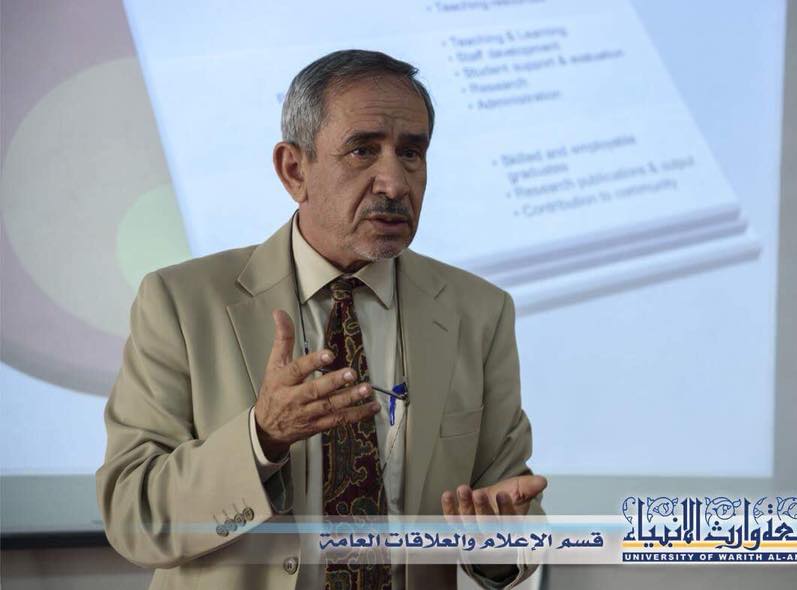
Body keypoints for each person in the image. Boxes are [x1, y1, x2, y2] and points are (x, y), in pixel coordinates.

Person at [96, 49, 547, 590]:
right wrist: (261, 437)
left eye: (411, 153)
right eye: (363, 150)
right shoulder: (181, 302)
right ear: (294, 169)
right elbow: (133, 516)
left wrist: (500, 545)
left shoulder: (479, 311)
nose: (395, 183)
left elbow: (510, 508)